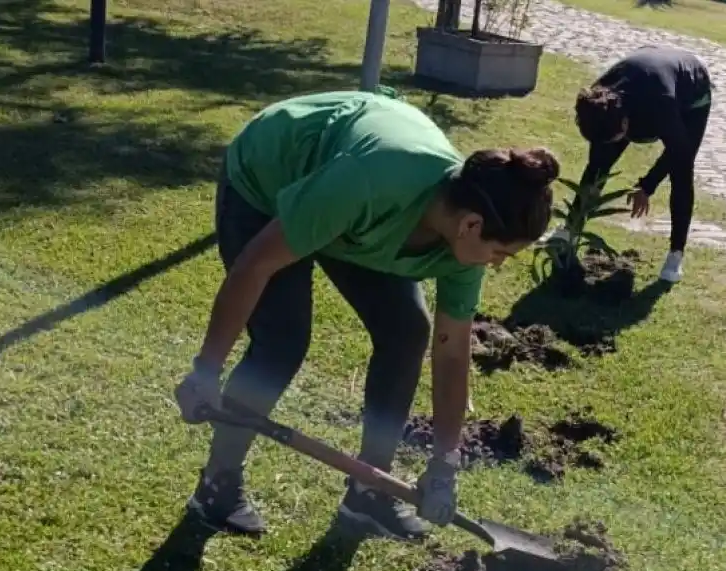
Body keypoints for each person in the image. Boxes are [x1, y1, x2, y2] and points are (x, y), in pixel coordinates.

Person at [173, 90, 559, 539]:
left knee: (406, 331)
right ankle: (217, 485)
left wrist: (444, 463)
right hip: (271, 176)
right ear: (471, 225)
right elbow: (256, 264)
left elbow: (451, 353)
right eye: (500, 253)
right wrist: (206, 370)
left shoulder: (460, 248)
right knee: (282, 341)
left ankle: (370, 491)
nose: (495, 264)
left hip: (353, 214)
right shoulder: (373, 182)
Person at [571, 46, 712, 284]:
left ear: (625, 121)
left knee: (682, 172)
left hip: (692, 90)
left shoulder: (661, 105)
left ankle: (675, 256)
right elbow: (598, 160)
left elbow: (678, 152)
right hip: (642, 72)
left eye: (618, 136)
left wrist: (647, 185)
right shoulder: (598, 100)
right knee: (598, 163)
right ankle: (569, 232)